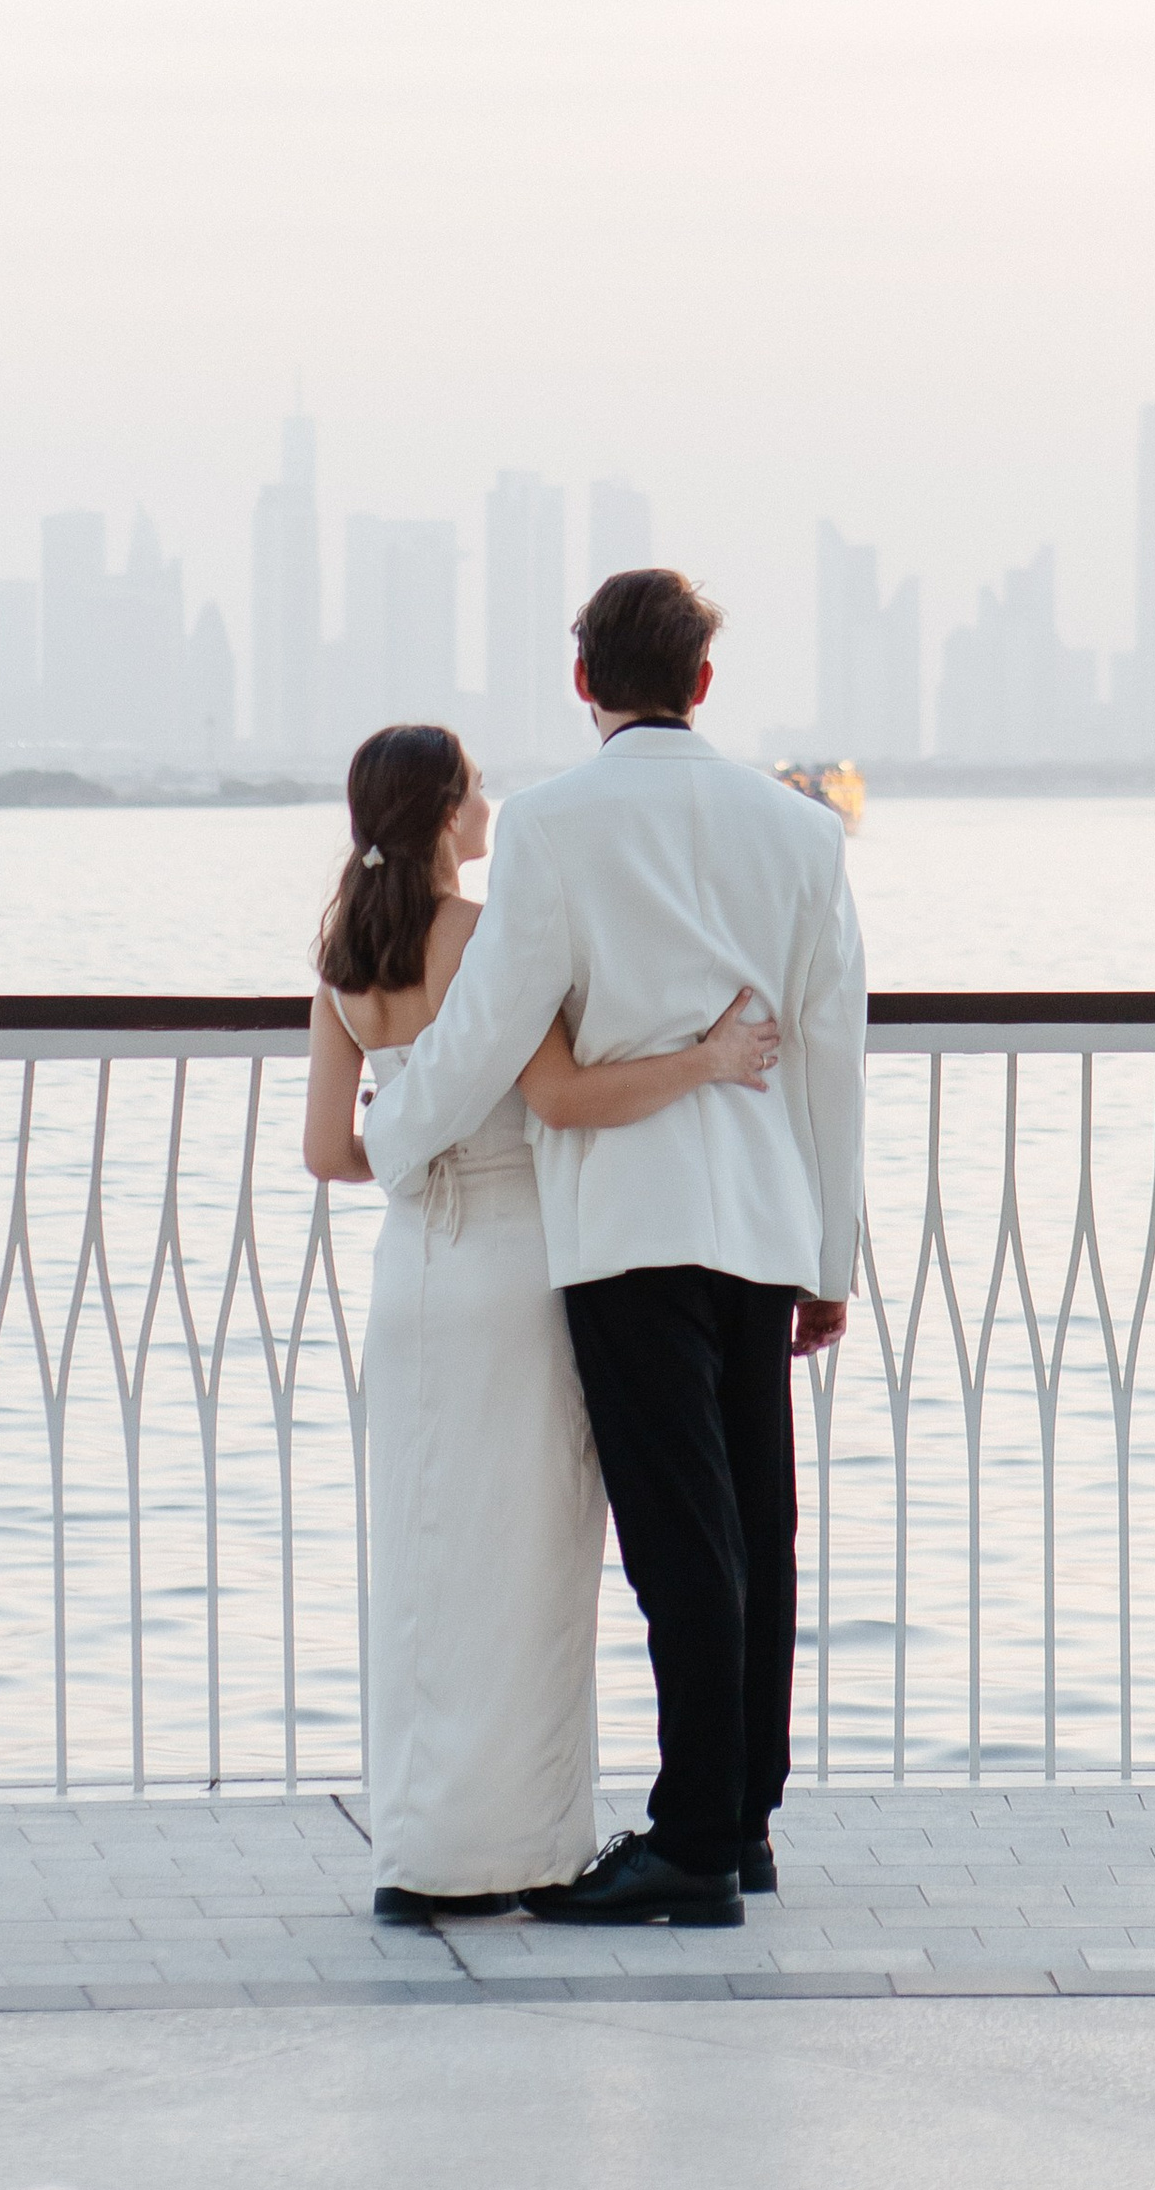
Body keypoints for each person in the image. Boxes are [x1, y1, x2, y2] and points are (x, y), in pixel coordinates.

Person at [362, 570, 868, 1930]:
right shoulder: (802, 832)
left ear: (583, 683)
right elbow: (831, 1052)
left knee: (680, 1538)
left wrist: (395, 1129)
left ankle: (692, 1840)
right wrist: (832, 1256)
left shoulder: (554, 825)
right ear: (704, 682)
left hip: (627, 1223)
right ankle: (745, 1817)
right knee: (759, 1523)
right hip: (763, 1216)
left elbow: (495, 1020)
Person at [303, 718, 785, 1924]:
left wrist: (423, 1144)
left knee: (425, 1569)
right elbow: (563, 1096)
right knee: (529, 1571)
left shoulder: (340, 955)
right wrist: (711, 1057)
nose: (490, 808)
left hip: (412, 1275)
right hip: (517, 1273)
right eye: (476, 791)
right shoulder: (483, 932)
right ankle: (520, 1849)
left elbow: (329, 1150)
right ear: (443, 817)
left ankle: (419, 1855)